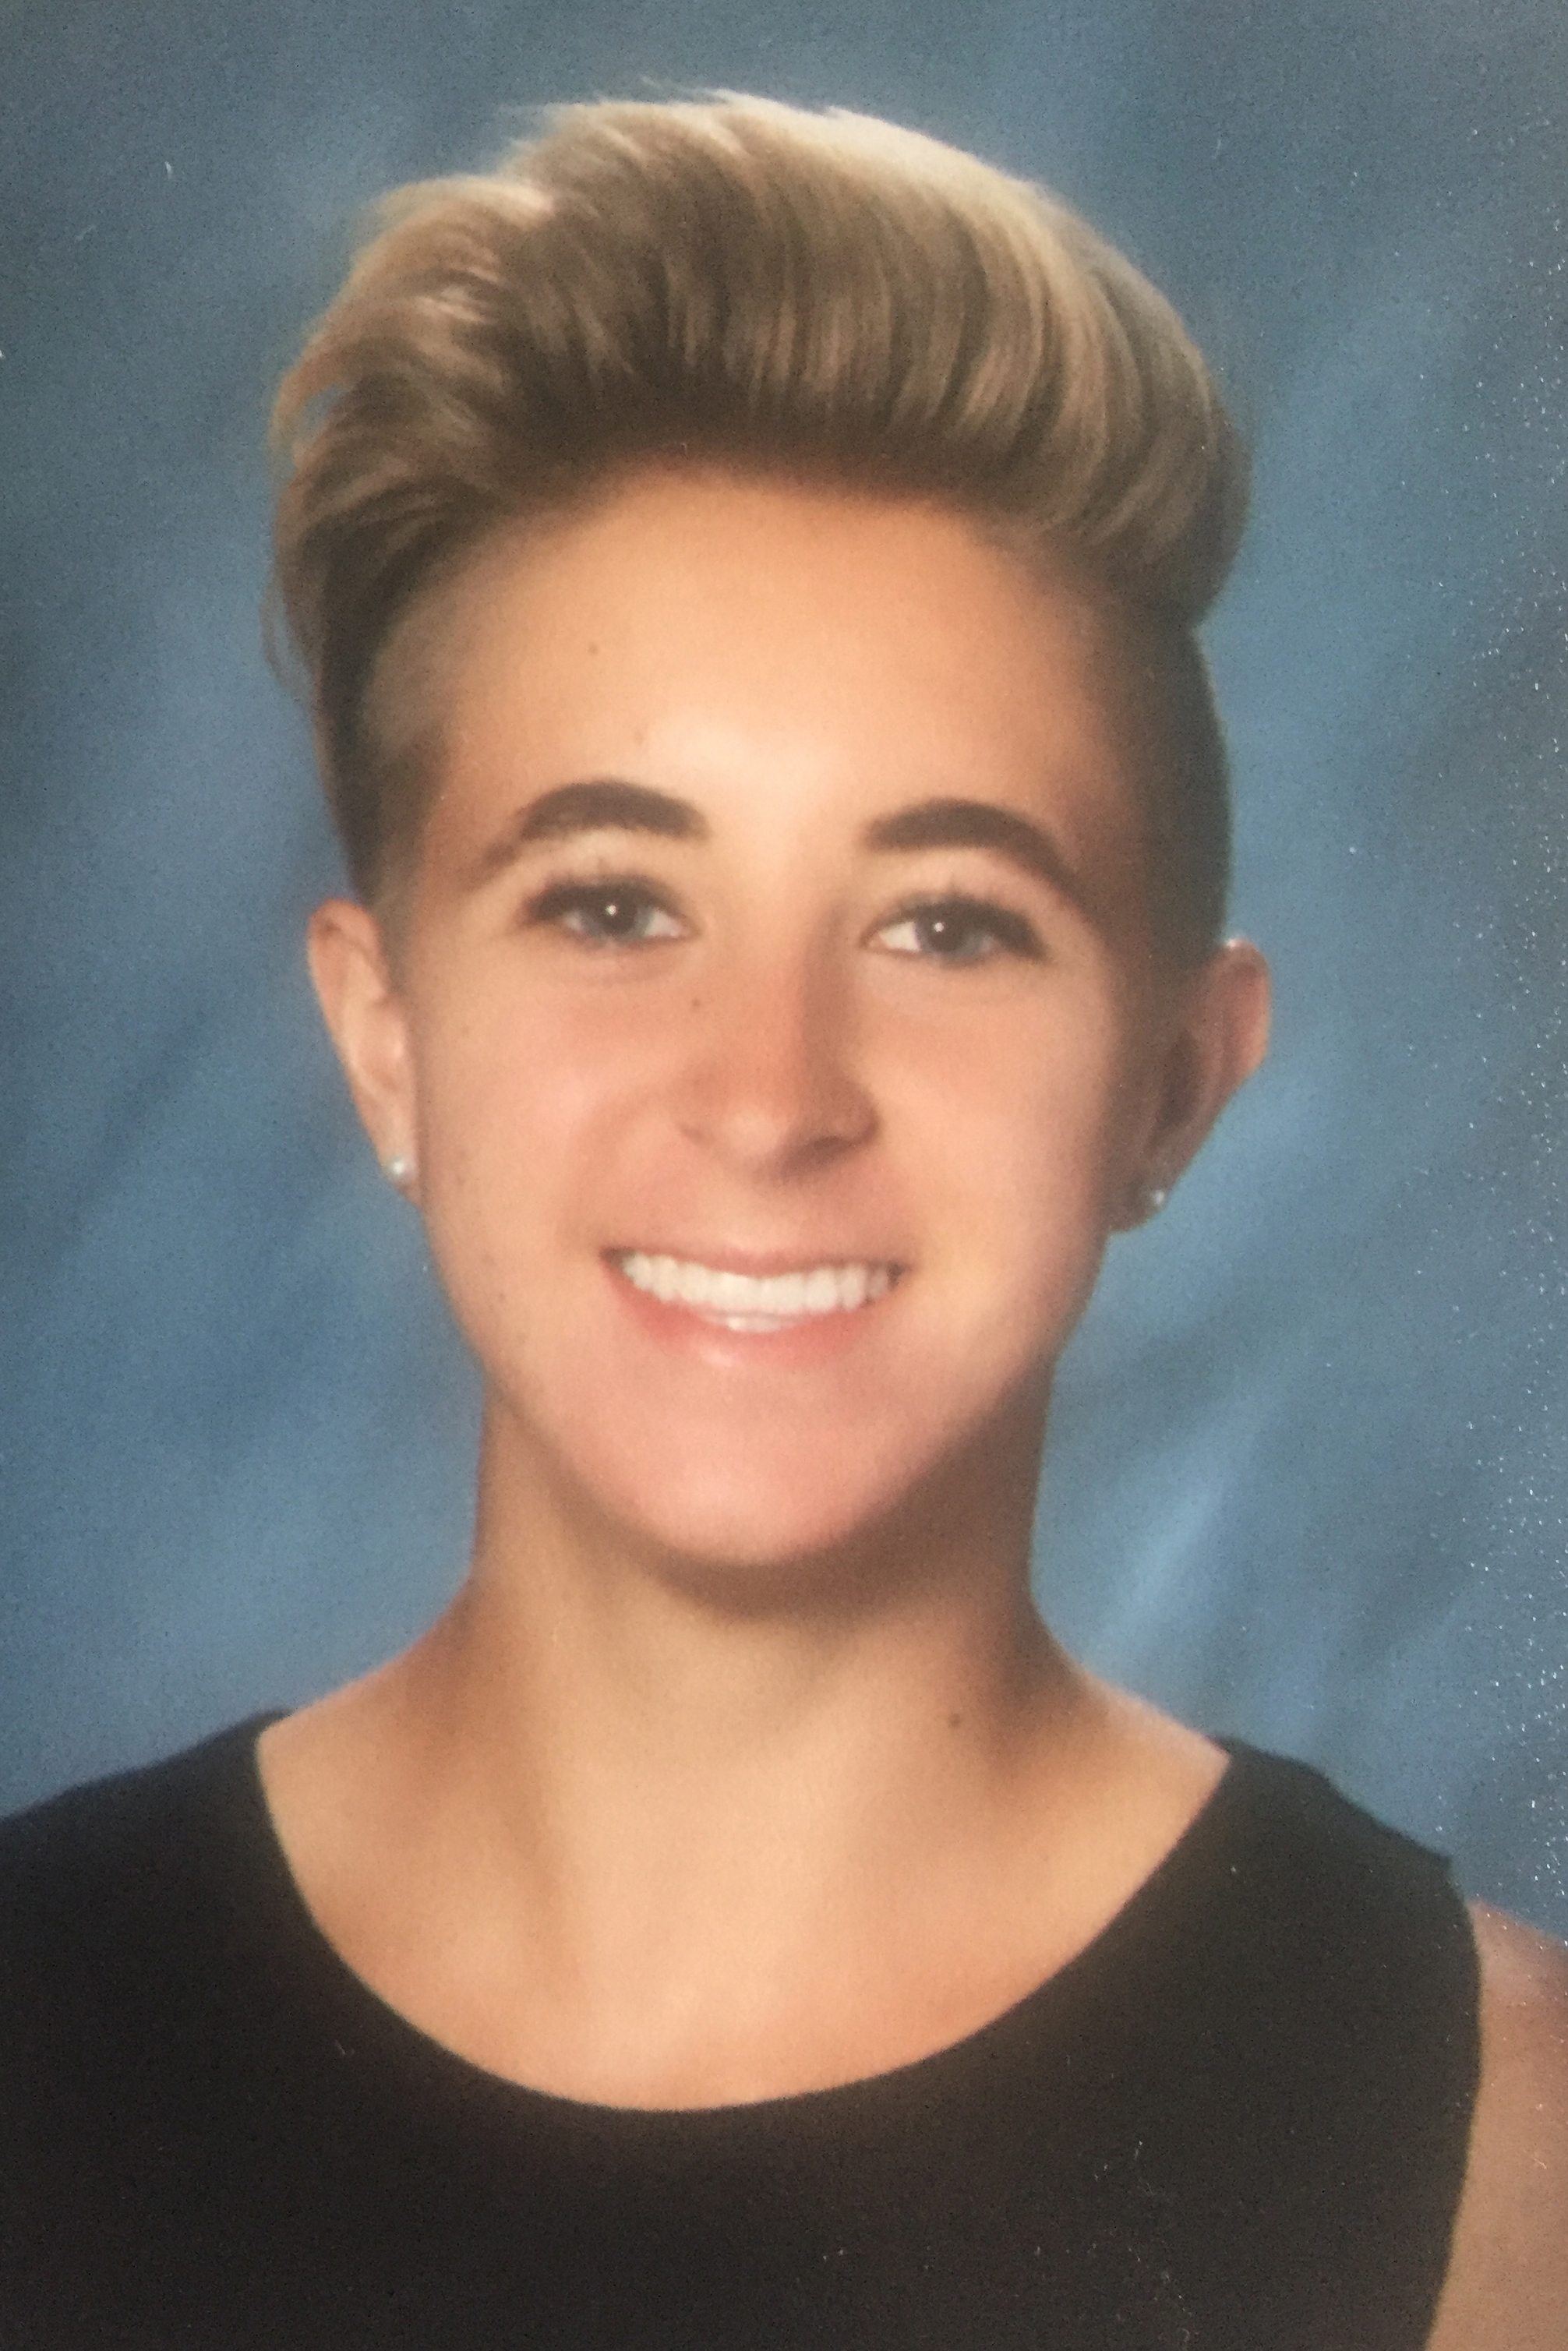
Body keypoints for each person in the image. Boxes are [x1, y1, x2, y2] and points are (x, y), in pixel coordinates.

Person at [2, 93, 1564, 2350]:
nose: (767, 1097)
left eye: (948, 923)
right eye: (612, 902)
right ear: (385, 1033)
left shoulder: (1502, 2144)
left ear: (1174, 1083)